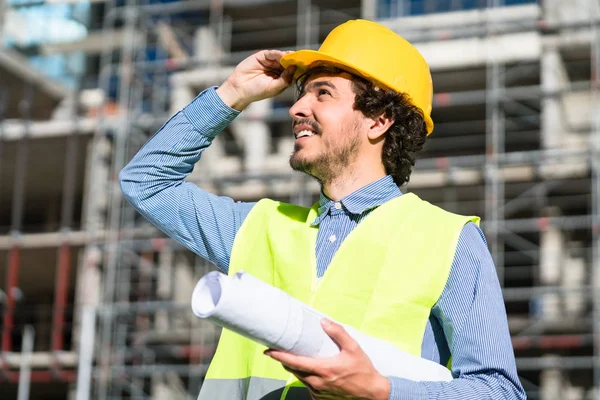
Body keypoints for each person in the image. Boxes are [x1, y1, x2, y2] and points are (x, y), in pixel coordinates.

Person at [120, 19, 526, 400]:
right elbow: (145, 181)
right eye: (301, 94)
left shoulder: (448, 240)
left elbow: (499, 390)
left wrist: (382, 391)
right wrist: (231, 94)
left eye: (323, 93)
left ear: (379, 120)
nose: (297, 109)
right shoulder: (258, 228)